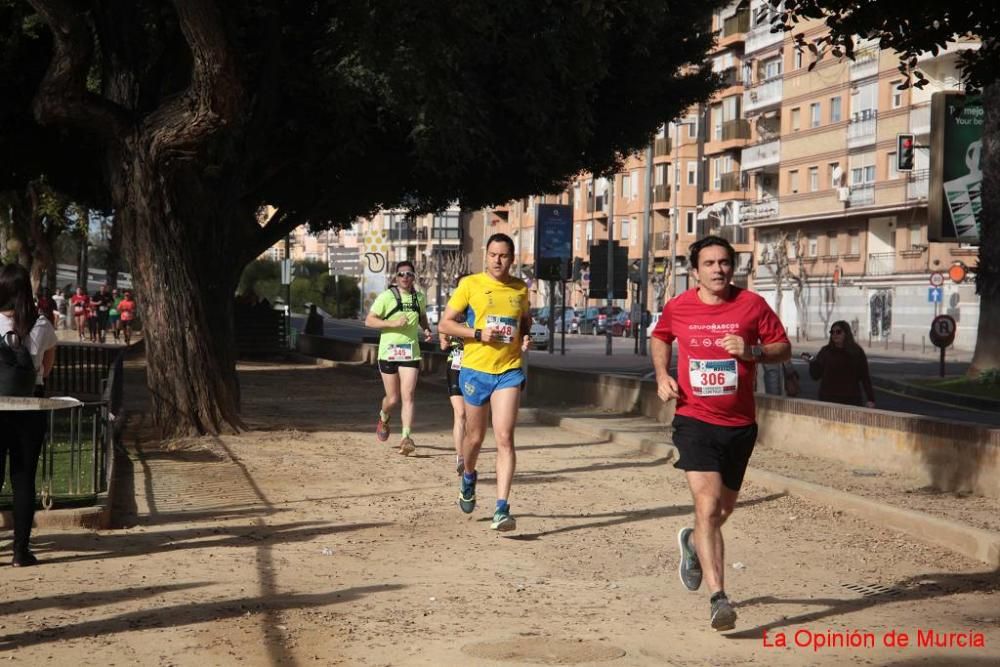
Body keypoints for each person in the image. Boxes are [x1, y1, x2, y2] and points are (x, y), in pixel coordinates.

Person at [650, 235, 790, 631]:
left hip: (740, 425)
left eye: (724, 262)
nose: (718, 269)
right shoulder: (680, 306)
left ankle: (694, 543)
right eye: (709, 263)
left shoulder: (751, 305)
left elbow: (783, 347)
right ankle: (719, 598)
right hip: (694, 420)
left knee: (721, 512)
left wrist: (752, 351)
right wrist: (662, 375)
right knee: (708, 506)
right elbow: (660, 336)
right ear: (695, 271)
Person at [438, 234, 532, 532]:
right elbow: (446, 323)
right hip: (476, 370)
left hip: (509, 370)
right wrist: (478, 334)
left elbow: (525, 320)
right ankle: (468, 475)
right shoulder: (470, 285)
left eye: (503, 255)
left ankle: (502, 508)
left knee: (504, 437)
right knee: (475, 438)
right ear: (486, 255)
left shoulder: (520, 288)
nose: (497, 260)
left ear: (512, 258)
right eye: (493, 254)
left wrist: (526, 335)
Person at [0, 263, 58, 567]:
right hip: (29, 407)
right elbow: (46, 369)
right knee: (23, 480)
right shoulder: (42, 325)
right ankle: (20, 551)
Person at [364, 261, 431, 456]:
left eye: (409, 274)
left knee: (408, 395)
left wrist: (426, 328)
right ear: (395, 277)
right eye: (401, 274)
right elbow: (369, 321)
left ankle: (406, 437)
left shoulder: (419, 297)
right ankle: (384, 417)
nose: (405, 277)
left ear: (414, 277)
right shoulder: (386, 297)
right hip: (388, 352)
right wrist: (393, 323)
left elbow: (422, 316)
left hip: (410, 351)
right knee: (393, 399)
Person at [802, 321, 875, 407]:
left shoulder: (856, 352)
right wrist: (812, 362)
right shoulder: (826, 351)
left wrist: (870, 399)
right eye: (832, 332)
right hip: (828, 399)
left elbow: (865, 376)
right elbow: (816, 375)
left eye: (838, 332)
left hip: (851, 399)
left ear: (846, 333)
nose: (835, 334)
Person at [439, 276, 470, 475]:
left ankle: (468, 452)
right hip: (456, 365)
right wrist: (448, 338)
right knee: (460, 413)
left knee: (473, 418)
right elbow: (442, 341)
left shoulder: (479, 310)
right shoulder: (451, 313)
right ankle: (461, 456)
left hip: (477, 366)